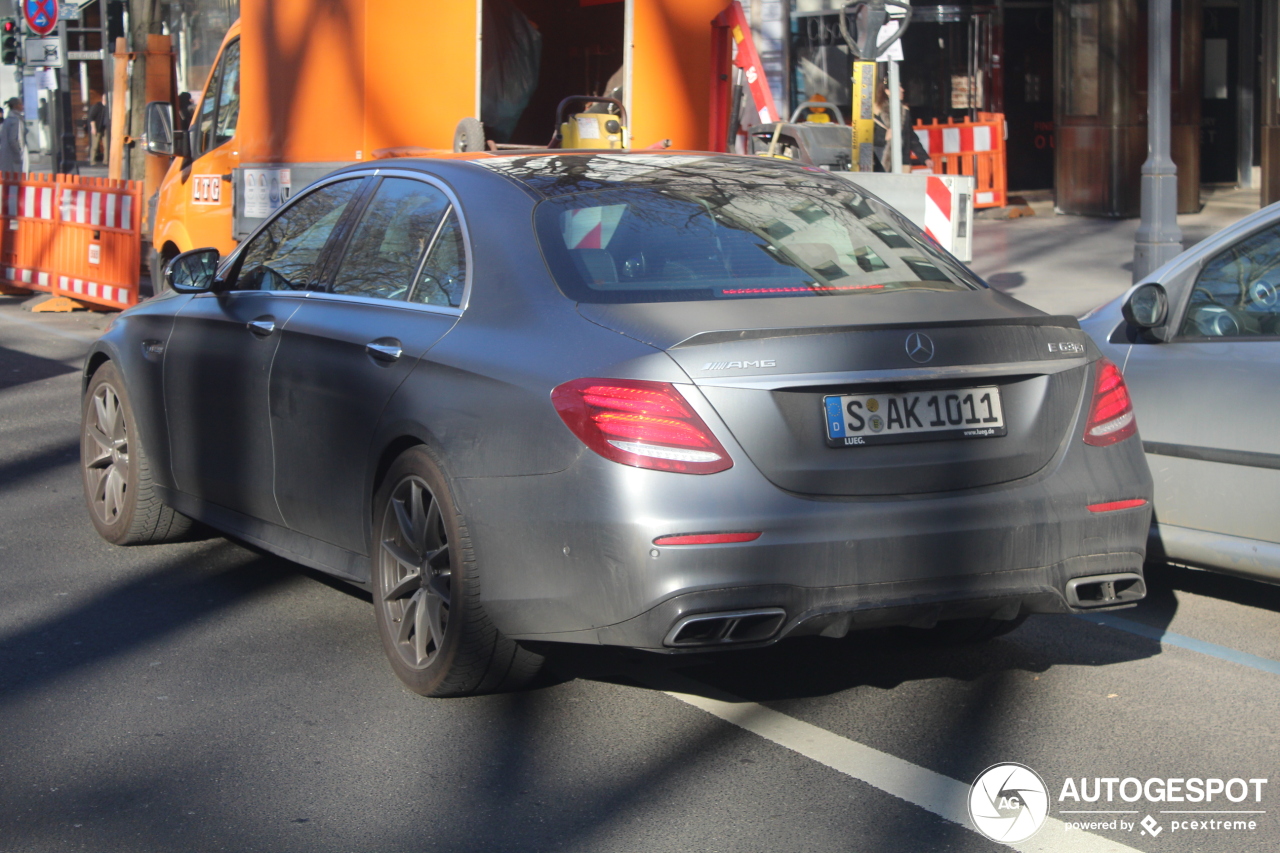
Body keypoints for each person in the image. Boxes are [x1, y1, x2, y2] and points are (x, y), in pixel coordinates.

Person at [0, 97, 26, 174]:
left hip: (6, 155)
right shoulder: (15, 120)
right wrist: (18, 154)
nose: (22, 106)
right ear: (15, 106)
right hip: (13, 157)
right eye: (20, 104)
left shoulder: (8, 119)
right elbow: (13, 140)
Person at [88, 92, 109, 165]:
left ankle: (106, 161)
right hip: (97, 128)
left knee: (107, 145)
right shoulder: (97, 106)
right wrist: (93, 128)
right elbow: (91, 118)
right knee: (95, 145)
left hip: (105, 128)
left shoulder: (109, 107)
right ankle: (92, 161)